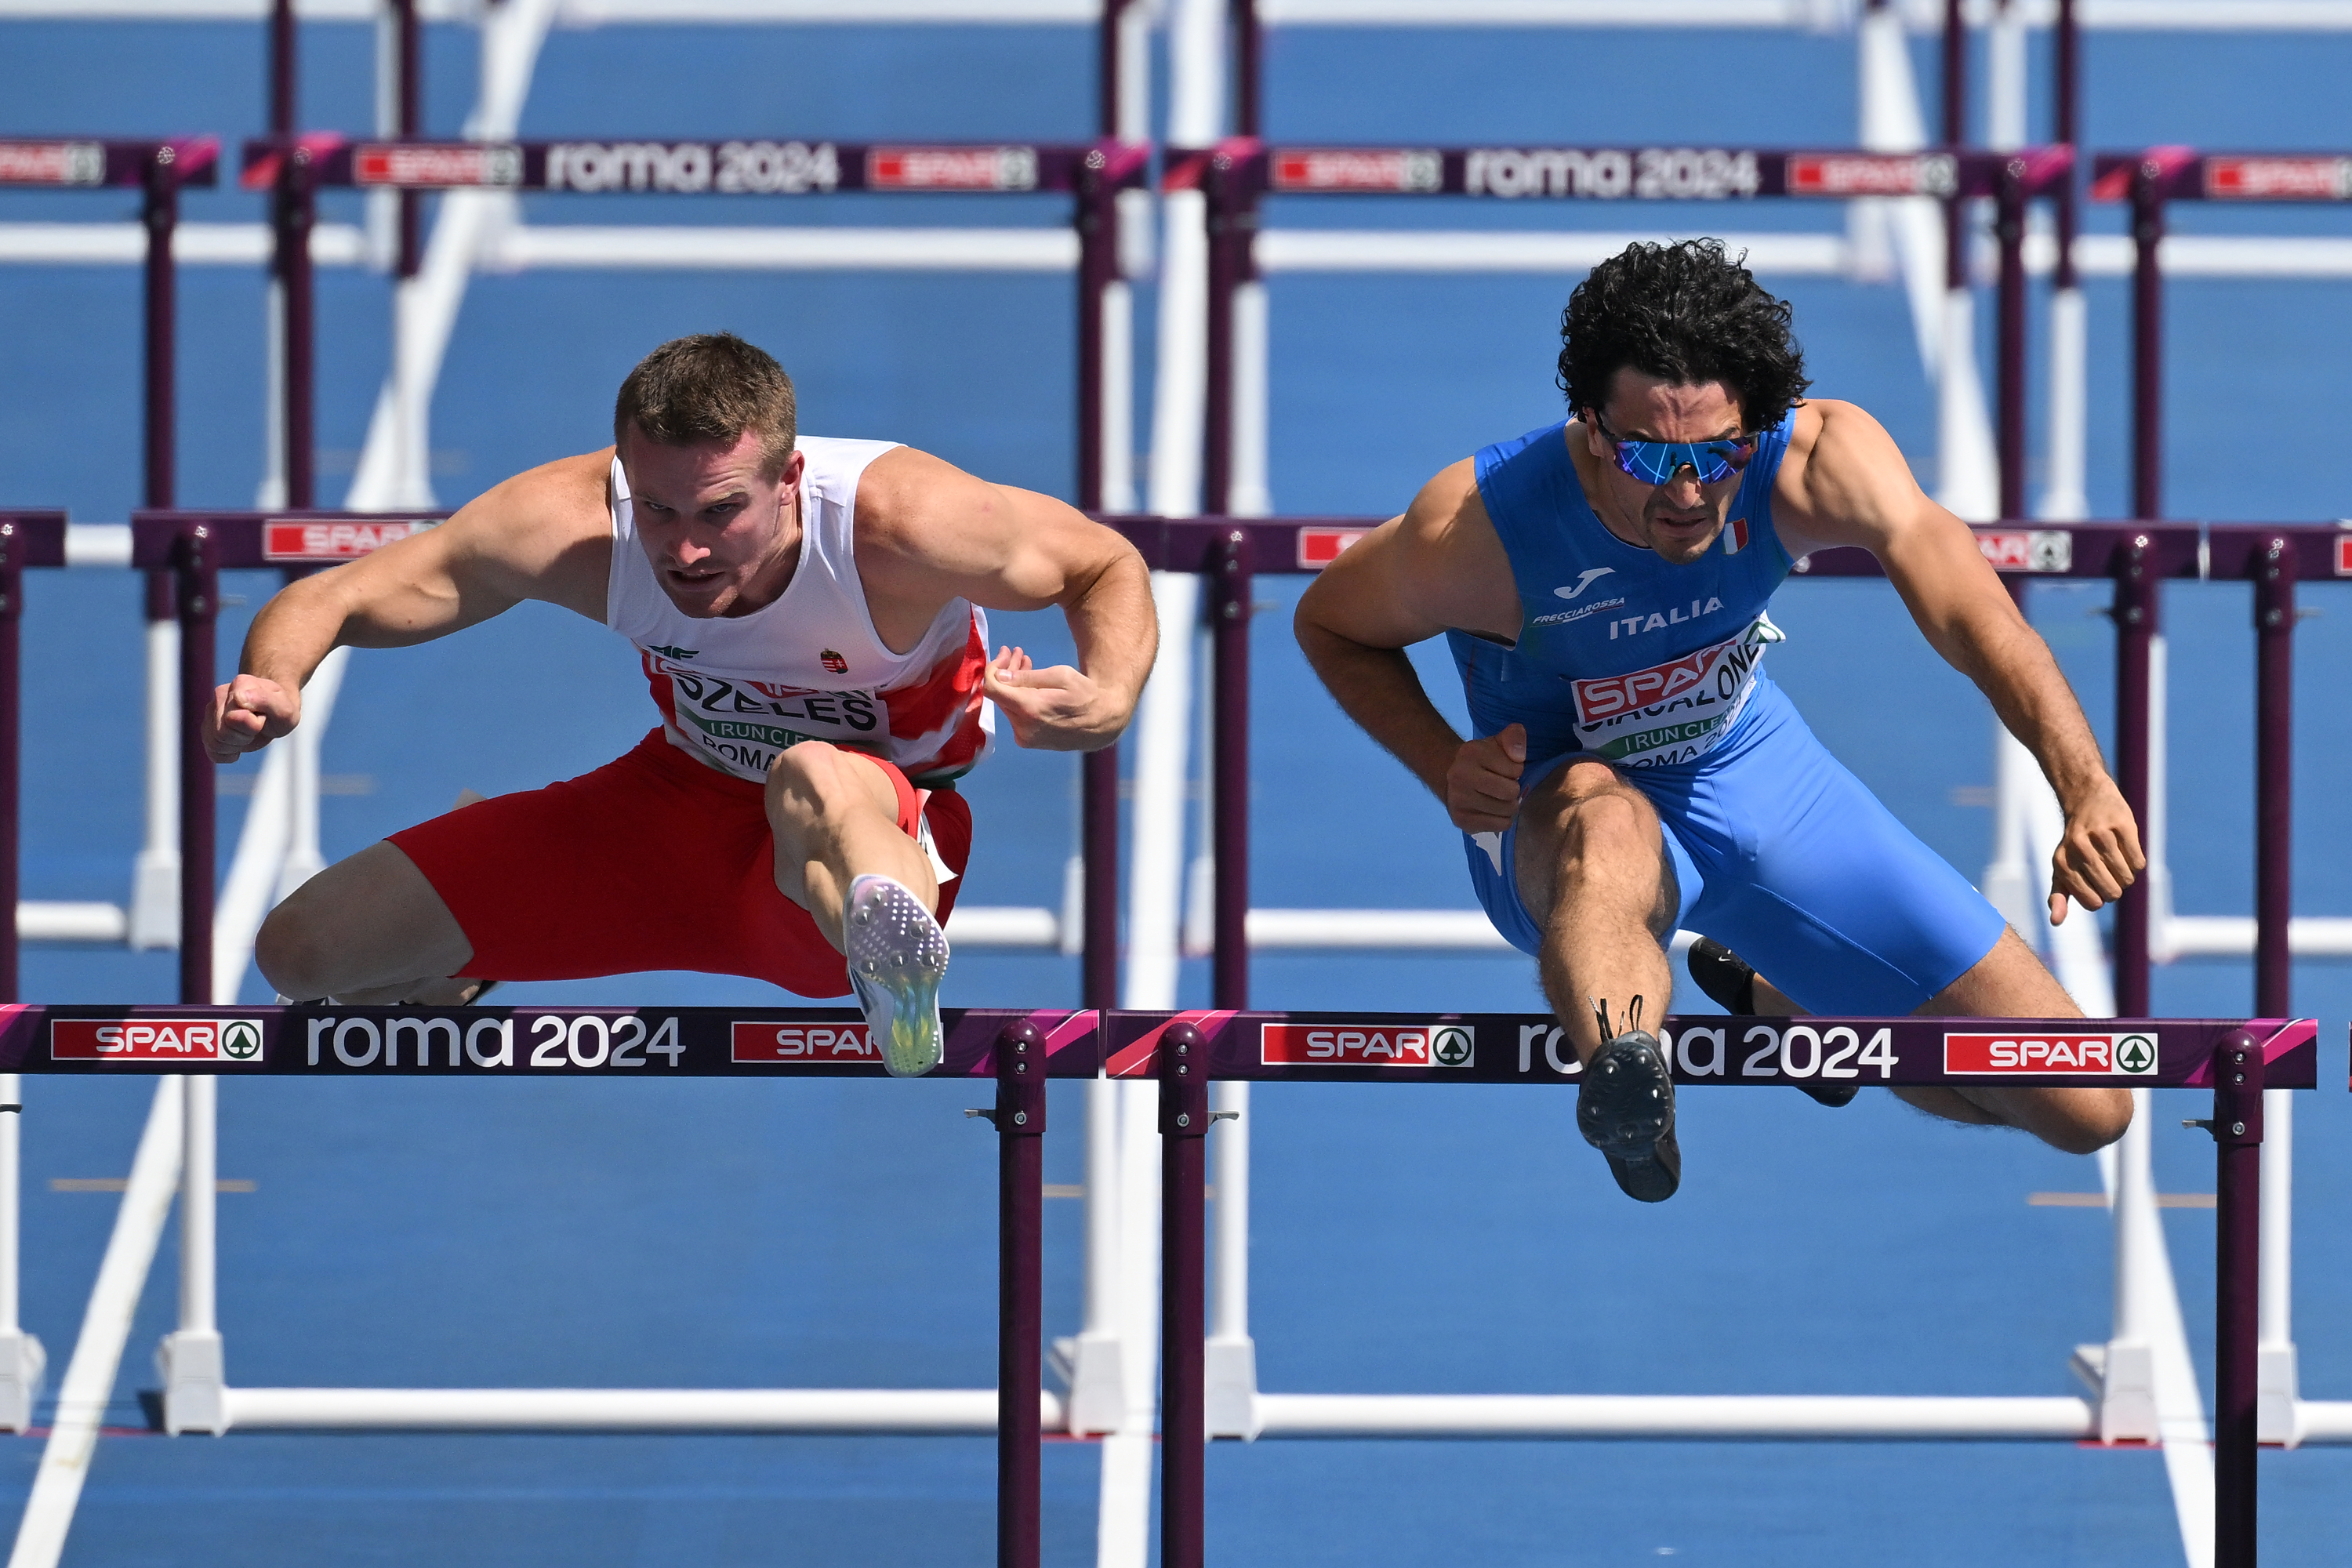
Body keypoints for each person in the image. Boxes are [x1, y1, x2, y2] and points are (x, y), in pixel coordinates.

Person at [1294, 240, 2140, 1202]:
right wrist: (1444, 760)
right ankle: (1628, 1082)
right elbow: (1331, 622)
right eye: (1651, 457)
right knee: (1602, 813)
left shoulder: (1818, 459)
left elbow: (1975, 615)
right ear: (1591, 427)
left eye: (1717, 453)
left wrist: (2083, 782)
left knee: (2087, 1105)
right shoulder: (1476, 530)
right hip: (1562, 809)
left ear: (1760, 424)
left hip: (1754, 773)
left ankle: (1783, 1001)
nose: (1687, 493)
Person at [210, 332, 1154, 1076]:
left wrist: (1110, 694)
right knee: (305, 952)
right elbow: (339, 594)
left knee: (812, 773)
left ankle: (893, 968)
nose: (686, 549)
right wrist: (272, 679)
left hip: (864, 831)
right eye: (657, 509)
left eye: (719, 512)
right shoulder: (571, 522)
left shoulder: (905, 525)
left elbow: (1102, 564)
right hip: (672, 801)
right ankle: (469, 967)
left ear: (790, 481)